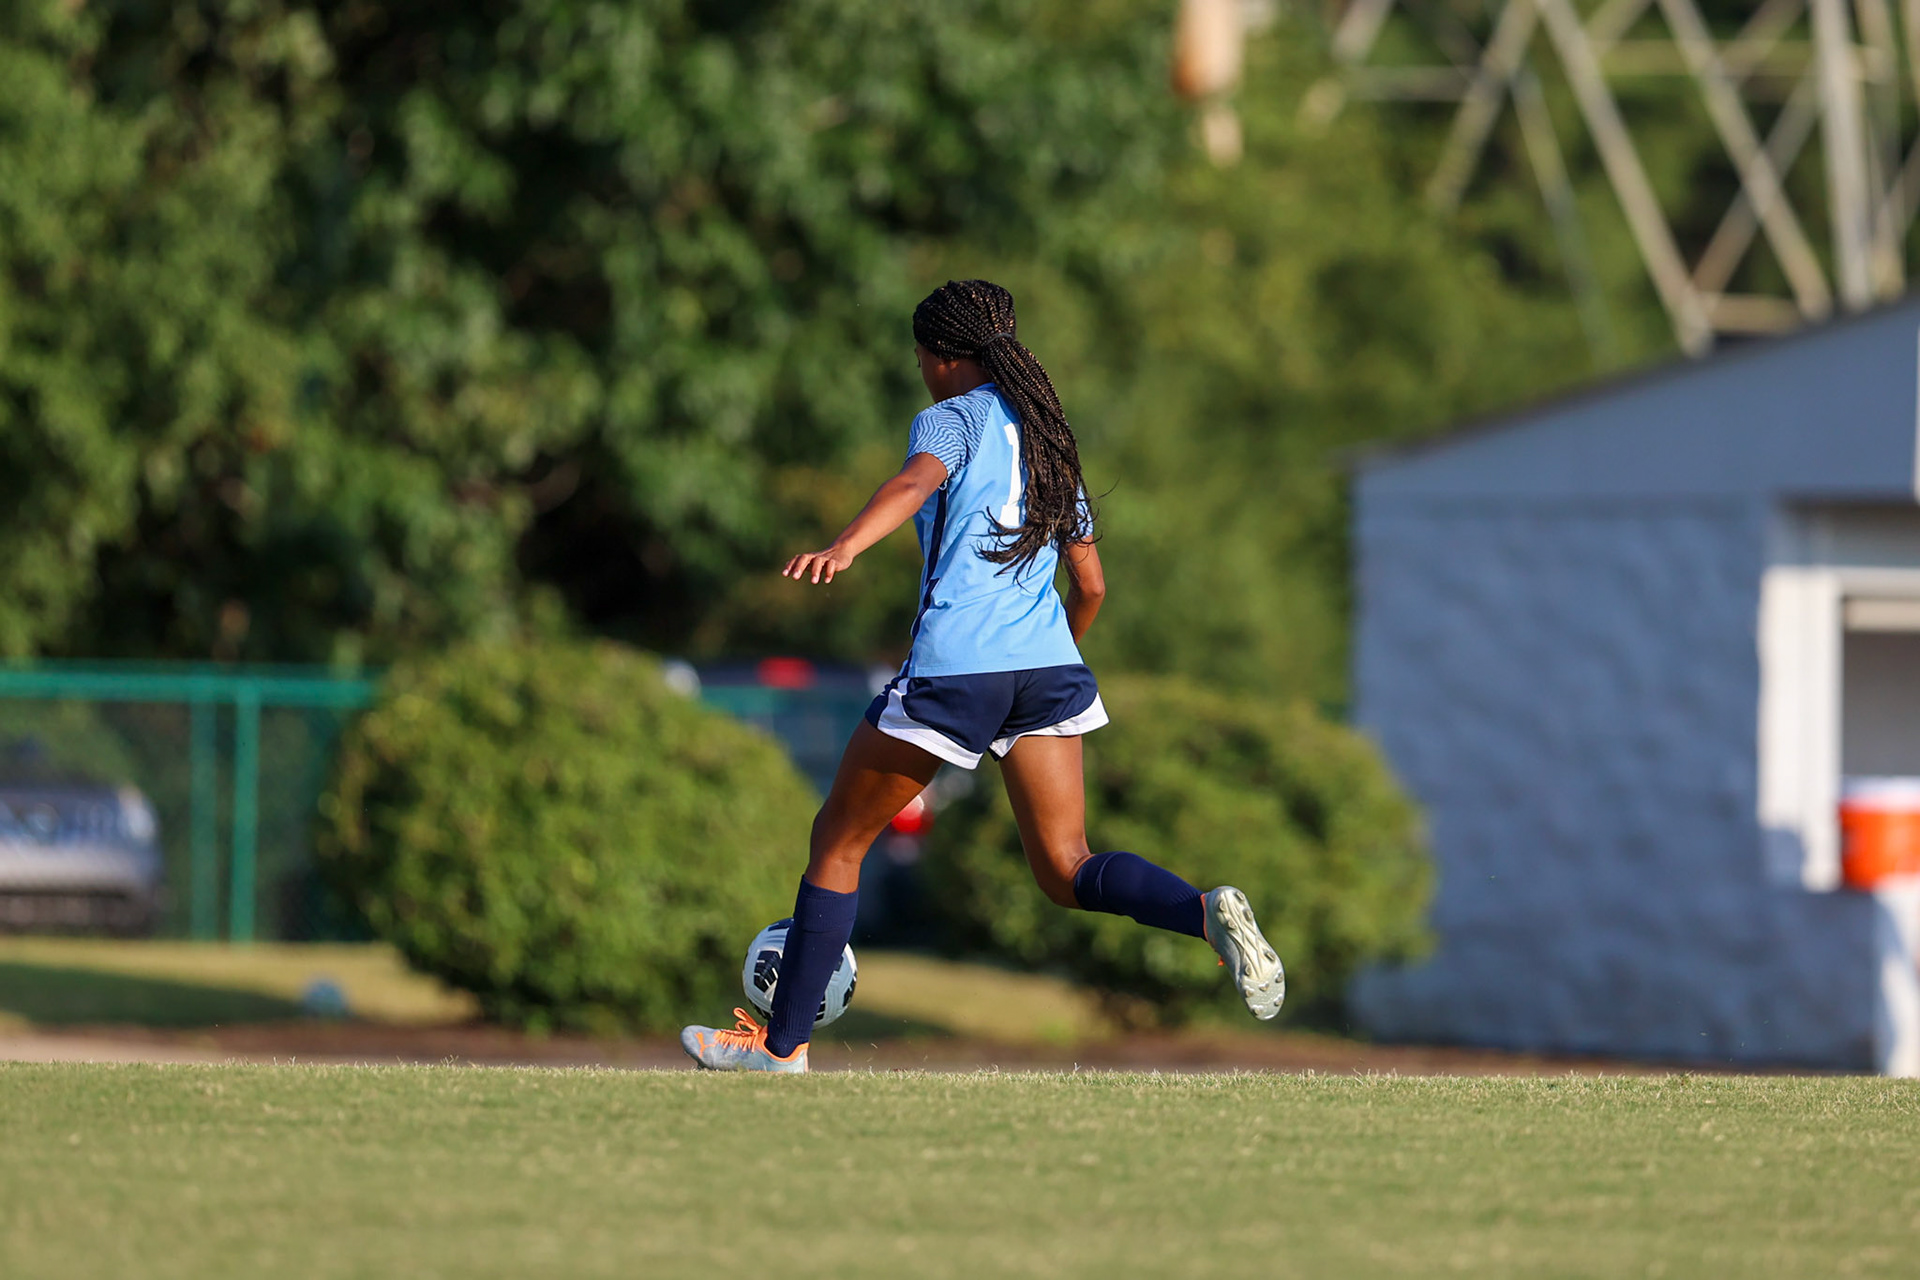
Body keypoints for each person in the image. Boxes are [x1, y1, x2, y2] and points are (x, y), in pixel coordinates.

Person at [681, 280, 1284, 1073]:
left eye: (921, 359)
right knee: (1067, 866)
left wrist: (846, 545)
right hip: (1048, 670)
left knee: (838, 842)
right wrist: (1037, 666)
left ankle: (780, 1048)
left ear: (942, 357)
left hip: (959, 670)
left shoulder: (952, 417)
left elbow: (912, 484)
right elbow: (1092, 586)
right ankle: (1202, 912)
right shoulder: (1049, 436)